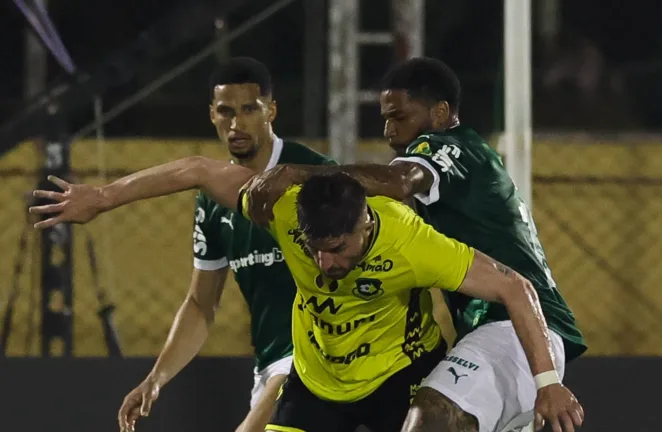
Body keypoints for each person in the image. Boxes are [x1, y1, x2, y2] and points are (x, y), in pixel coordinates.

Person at [29, 164, 583, 430]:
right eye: (315, 251)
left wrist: (548, 384)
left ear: (364, 225)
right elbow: (197, 170)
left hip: (399, 374)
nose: (325, 265)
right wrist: (103, 197)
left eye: (337, 251)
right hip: (319, 381)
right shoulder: (281, 207)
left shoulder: (412, 242)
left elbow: (516, 287)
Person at [242, 57, 588, 432]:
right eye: (385, 119)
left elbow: (399, 181)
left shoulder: (450, 147)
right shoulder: (452, 176)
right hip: (499, 331)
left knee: (432, 415)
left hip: (517, 327)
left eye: (400, 117)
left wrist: (298, 173)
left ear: (440, 112)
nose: (389, 130)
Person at [114, 57, 336, 432]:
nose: (237, 124)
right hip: (270, 368)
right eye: (226, 112)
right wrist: (156, 378)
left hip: (322, 357)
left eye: (249, 109)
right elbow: (201, 304)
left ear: (271, 111)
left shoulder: (313, 175)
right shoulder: (212, 201)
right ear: (212, 115)